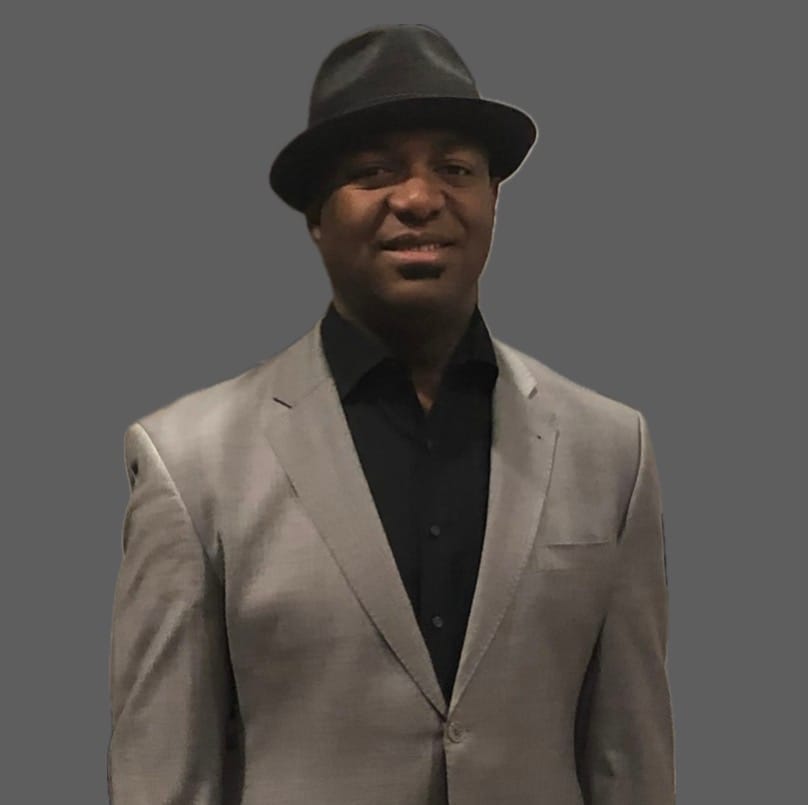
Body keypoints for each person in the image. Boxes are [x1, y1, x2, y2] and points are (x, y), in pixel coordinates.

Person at [107, 23, 675, 805]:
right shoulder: (190, 464)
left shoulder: (612, 452)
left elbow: (631, 760)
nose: (418, 198)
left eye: (455, 168)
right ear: (316, 215)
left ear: (494, 198)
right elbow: (160, 778)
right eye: (374, 171)